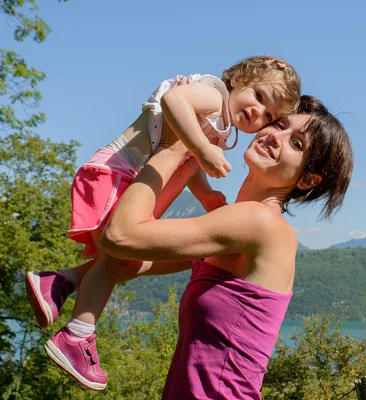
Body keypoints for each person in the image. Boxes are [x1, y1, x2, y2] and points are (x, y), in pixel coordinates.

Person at [26, 56, 300, 390]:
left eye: (270, 115)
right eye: (258, 96)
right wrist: (201, 147)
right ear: (239, 79)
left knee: (124, 258)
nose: (260, 113)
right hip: (119, 172)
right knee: (117, 254)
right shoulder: (213, 96)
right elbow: (174, 103)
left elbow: (187, 160)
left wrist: (204, 193)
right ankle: (77, 334)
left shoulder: (219, 122)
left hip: (130, 177)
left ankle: (59, 282)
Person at [97, 95, 354, 399]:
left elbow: (120, 236)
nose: (275, 136)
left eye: (296, 144)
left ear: (307, 179)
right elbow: (128, 260)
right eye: (280, 125)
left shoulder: (259, 222)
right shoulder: (237, 227)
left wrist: (176, 145)